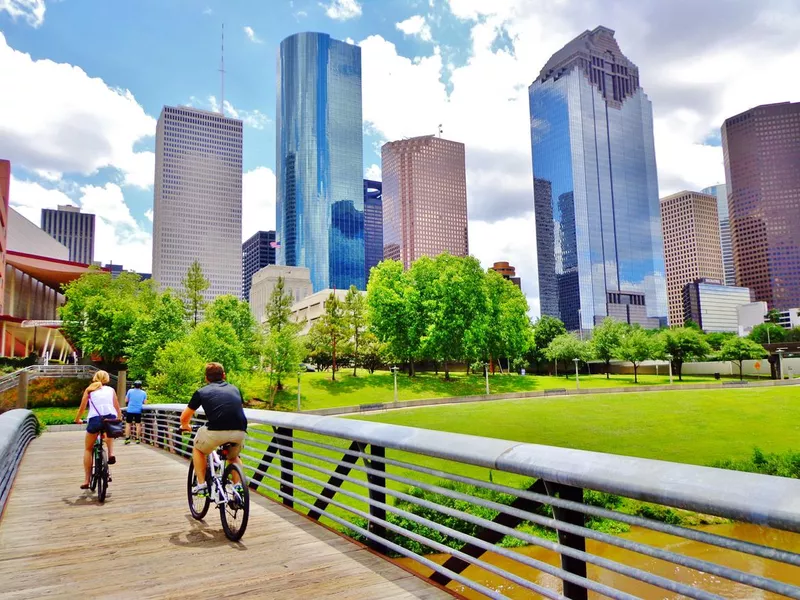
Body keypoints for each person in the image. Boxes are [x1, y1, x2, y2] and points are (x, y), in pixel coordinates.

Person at [180, 363, 247, 496]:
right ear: (224, 375)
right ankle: (238, 486)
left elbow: (184, 417)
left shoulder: (201, 392)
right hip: (239, 431)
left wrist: (186, 426)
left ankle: (201, 485)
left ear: (206, 378)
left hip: (216, 432)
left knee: (198, 449)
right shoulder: (235, 389)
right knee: (233, 457)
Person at [75, 370, 122, 489]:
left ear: (95, 378)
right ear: (107, 379)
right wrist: (119, 418)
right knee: (109, 433)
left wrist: (77, 419)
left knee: (88, 449)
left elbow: (82, 408)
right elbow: (117, 407)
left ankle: (86, 480)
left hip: (95, 419)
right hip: (110, 418)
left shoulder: (90, 389)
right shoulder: (111, 390)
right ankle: (111, 453)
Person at [124, 380, 147, 444]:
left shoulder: (130, 391)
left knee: (128, 424)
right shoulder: (143, 393)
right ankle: (137, 439)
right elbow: (145, 403)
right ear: (140, 386)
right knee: (138, 424)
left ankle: (127, 438)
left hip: (130, 410)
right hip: (138, 410)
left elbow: (126, 400)